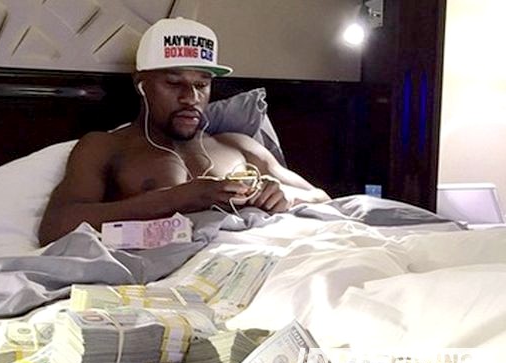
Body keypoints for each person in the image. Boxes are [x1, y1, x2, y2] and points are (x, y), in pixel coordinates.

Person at [38, 17, 329, 246]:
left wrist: (286, 195)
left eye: (201, 84)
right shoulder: (106, 147)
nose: (191, 97)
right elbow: (55, 226)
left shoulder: (238, 145)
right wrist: (177, 198)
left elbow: (322, 198)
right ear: (142, 85)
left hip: (258, 257)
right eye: (174, 83)